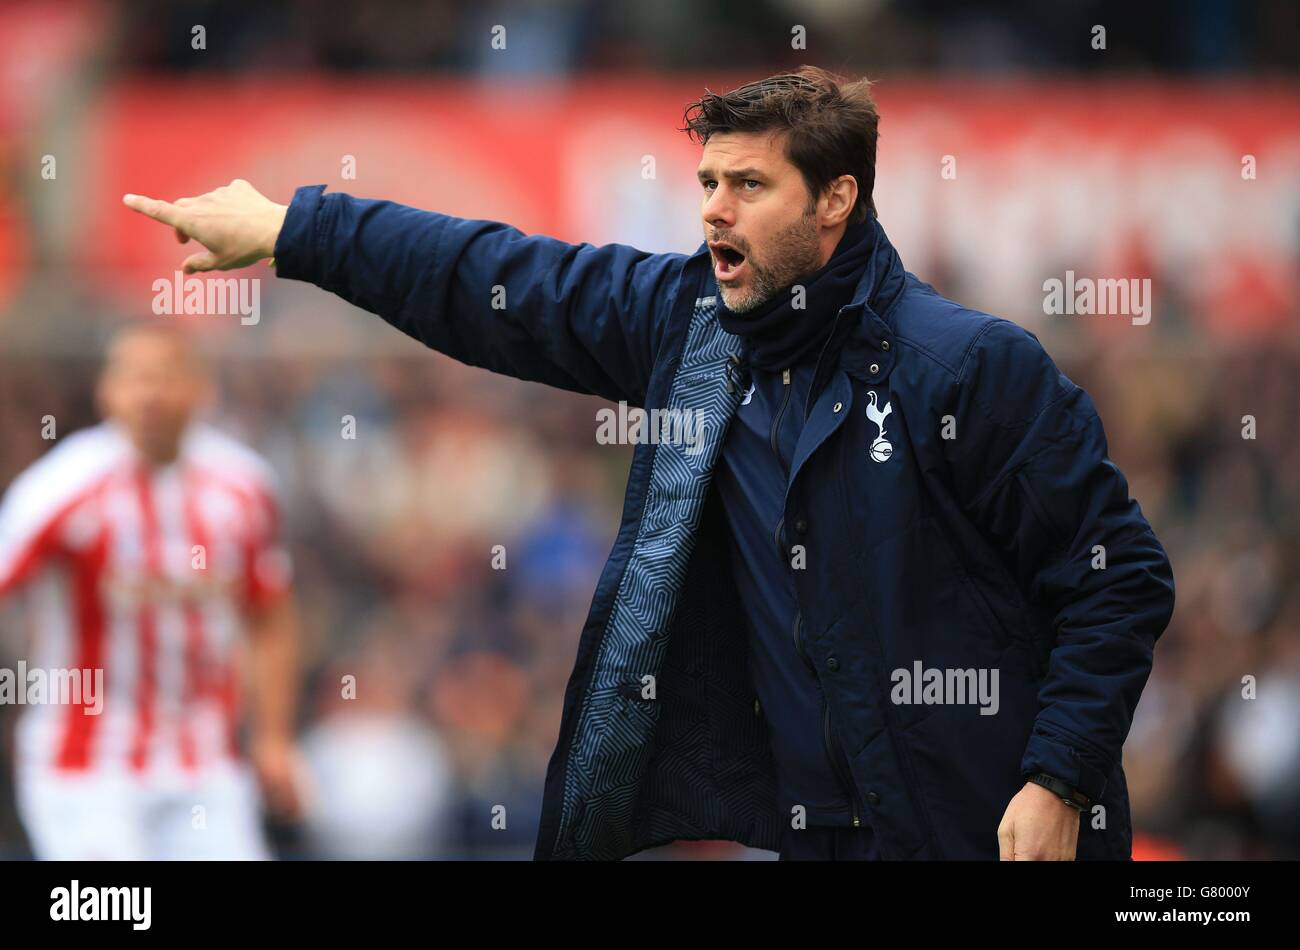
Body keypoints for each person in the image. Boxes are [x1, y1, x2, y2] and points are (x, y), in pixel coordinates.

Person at [121, 65, 1175, 861]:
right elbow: (497, 279)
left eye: (748, 183)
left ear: (835, 201)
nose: (712, 206)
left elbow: (1118, 577)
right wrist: (293, 228)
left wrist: (1057, 779)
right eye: (708, 178)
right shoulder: (687, 330)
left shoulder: (972, 368)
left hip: (995, 828)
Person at [0, 324, 304, 859]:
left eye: (166, 377)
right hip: (86, 767)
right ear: (107, 391)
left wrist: (272, 739)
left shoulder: (244, 487)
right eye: (135, 378)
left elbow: (269, 615)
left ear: (201, 389)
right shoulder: (60, 489)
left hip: (203, 762)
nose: (150, 395)